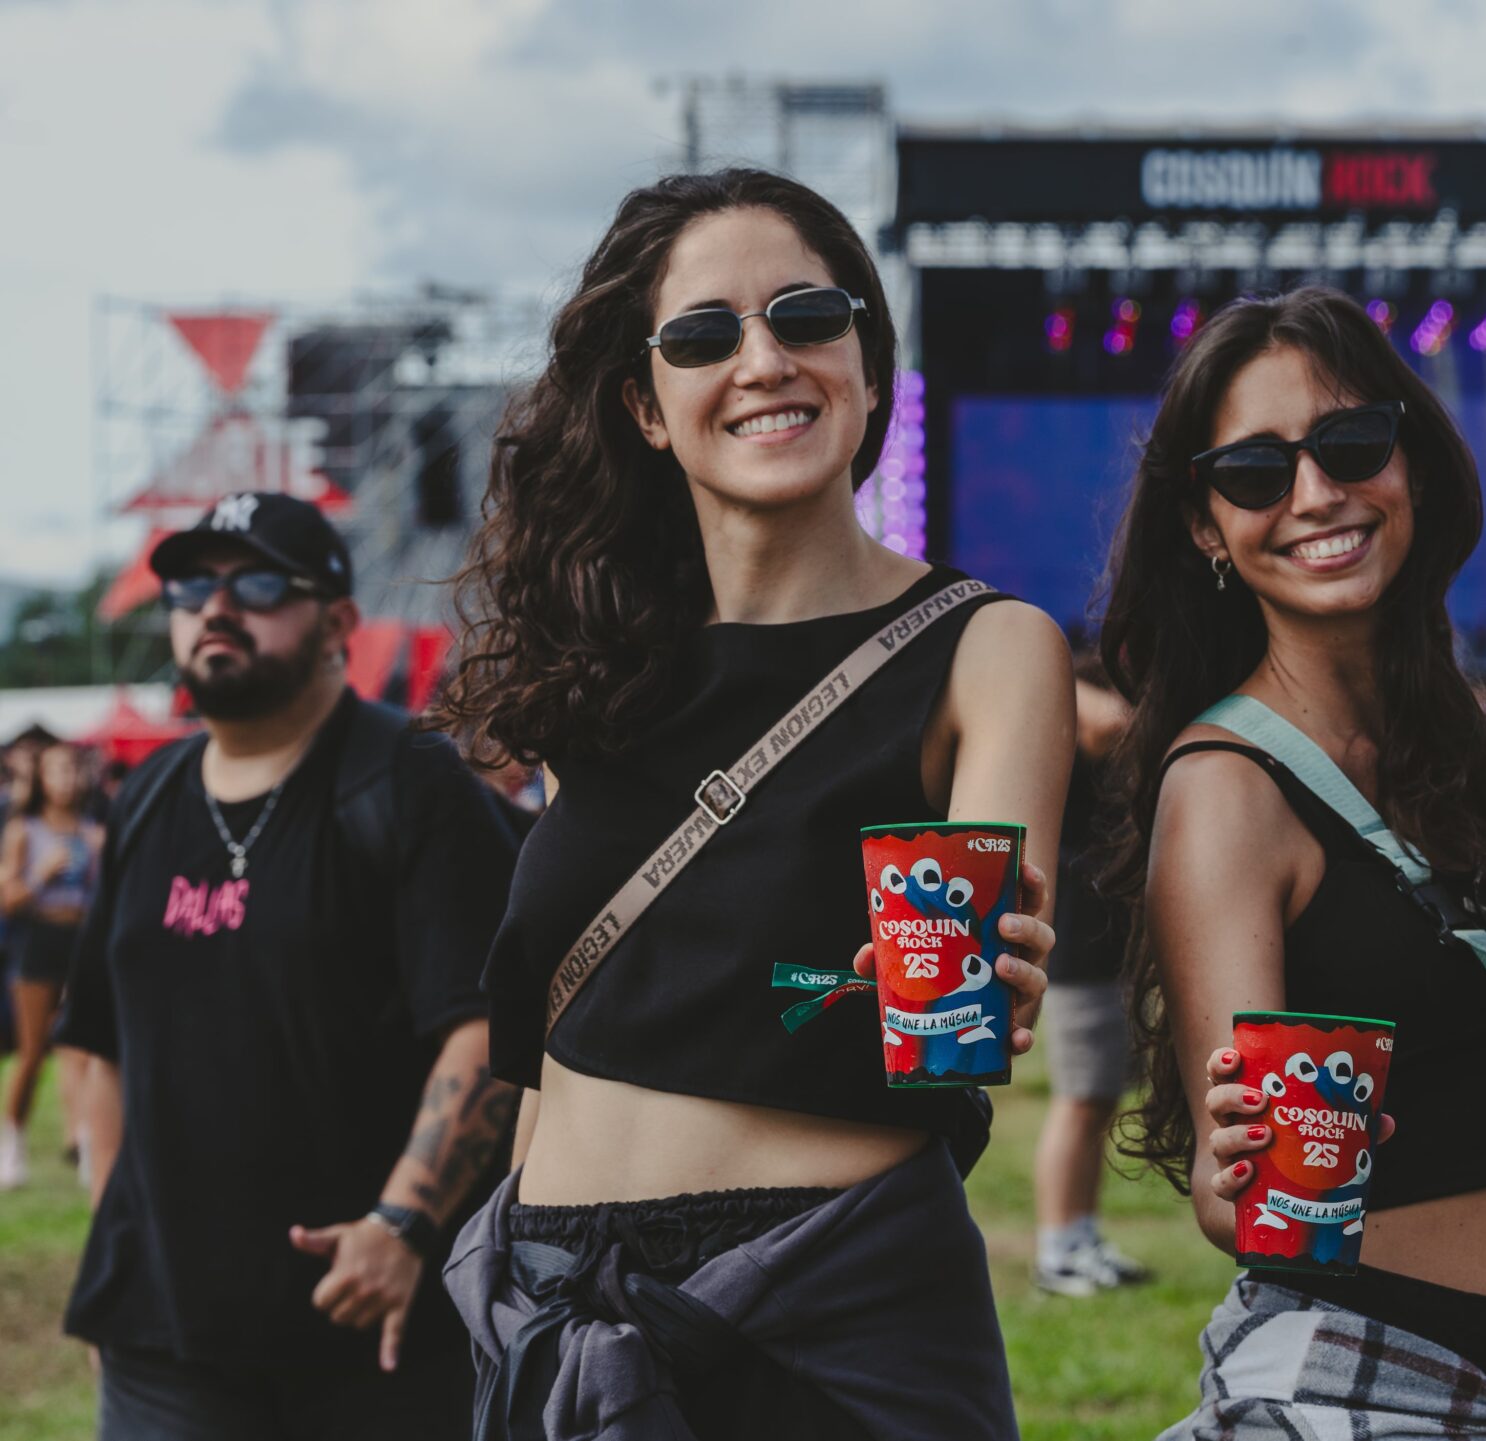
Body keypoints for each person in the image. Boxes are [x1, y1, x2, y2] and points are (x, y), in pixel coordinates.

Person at [434, 168, 1070, 1439]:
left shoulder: (988, 645)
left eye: (807, 316)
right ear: (645, 405)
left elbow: (960, 1005)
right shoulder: (594, 670)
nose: (765, 360)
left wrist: (994, 976)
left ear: (869, 368)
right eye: (703, 336)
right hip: (555, 1301)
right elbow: (556, 1043)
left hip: (824, 1306)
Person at [1099, 287, 1486, 1438]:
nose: (1314, 493)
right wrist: (1235, 1167)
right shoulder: (1227, 786)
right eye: (1254, 471)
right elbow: (1239, 1193)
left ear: (1410, 462)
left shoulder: (1442, 743)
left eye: (1350, 443)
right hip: (1363, 1381)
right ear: (1204, 525)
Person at [53, 491, 525, 1438]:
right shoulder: (146, 798)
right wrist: (122, 1250)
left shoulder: (410, 779)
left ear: (338, 622)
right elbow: (96, 1044)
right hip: (163, 1353)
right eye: (192, 587)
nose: (217, 608)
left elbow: (490, 1026)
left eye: (261, 584)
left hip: (369, 1338)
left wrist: (403, 1225)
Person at [1031, 651, 1151, 1296]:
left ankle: (1082, 1238)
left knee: (1097, 1102)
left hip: (1110, 956)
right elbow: (1105, 716)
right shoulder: (1071, 733)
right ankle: (1057, 1251)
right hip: (1079, 953)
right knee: (1079, 1103)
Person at [0, 741, 103, 1188]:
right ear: (41, 778)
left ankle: (85, 1143)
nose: (66, 779)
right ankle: (11, 1144)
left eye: (72, 770)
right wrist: (42, 872)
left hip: (80, 941)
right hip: (38, 943)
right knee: (33, 1053)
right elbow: (8, 899)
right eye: (57, 770)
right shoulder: (24, 830)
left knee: (84, 1049)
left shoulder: (91, 831)